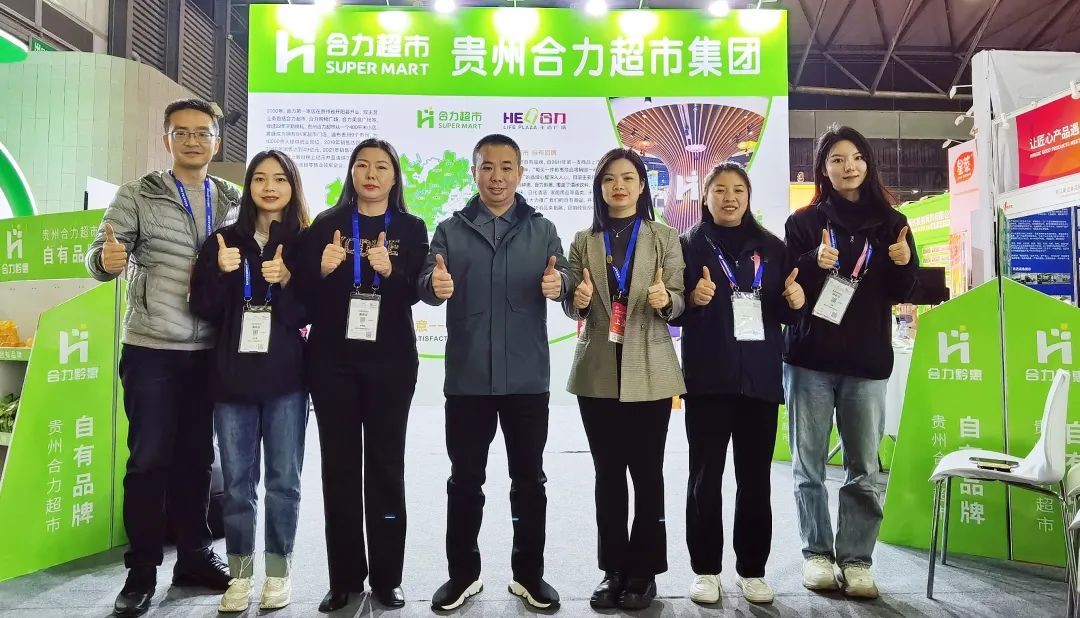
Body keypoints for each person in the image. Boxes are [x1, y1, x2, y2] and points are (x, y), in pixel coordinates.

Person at [85, 98, 240, 617]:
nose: (193, 140)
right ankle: (141, 570)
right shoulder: (138, 194)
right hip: (151, 348)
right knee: (148, 460)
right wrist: (105, 260)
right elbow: (99, 254)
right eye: (182, 132)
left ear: (217, 141)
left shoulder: (231, 199)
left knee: (198, 459)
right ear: (166, 138)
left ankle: (194, 556)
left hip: (208, 351)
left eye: (203, 132)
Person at [418, 134, 570, 612]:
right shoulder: (450, 229)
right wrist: (434, 285)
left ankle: (529, 575)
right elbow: (425, 281)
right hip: (468, 380)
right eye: (487, 167)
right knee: (465, 481)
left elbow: (566, 277)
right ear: (474, 172)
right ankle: (463, 575)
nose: (497, 177)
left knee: (529, 481)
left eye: (507, 167)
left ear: (520, 173)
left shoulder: (542, 229)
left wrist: (559, 283)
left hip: (527, 379)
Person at [292, 139, 429, 612]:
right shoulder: (326, 225)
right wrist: (320, 268)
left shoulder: (411, 227)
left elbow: (416, 292)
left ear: (394, 177)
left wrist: (391, 272)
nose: (371, 174)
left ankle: (388, 577)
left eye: (382, 167)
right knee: (340, 469)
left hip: (391, 362)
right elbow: (303, 298)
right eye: (362, 165)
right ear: (351, 172)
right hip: (332, 362)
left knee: (387, 468)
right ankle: (344, 578)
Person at [784, 125, 918, 599]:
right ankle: (817, 554)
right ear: (823, 167)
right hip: (810, 359)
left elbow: (904, 291)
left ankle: (858, 559)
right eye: (837, 159)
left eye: (856, 157)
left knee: (864, 466)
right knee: (809, 464)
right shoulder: (803, 222)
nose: (849, 167)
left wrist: (903, 261)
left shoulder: (892, 222)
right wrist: (811, 261)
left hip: (867, 360)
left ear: (868, 162)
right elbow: (785, 287)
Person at [674, 162, 805, 606]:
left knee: (755, 480)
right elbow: (673, 310)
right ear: (705, 196)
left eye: (738, 190)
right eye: (720, 190)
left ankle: (752, 569)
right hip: (708, 378)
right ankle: (705, 569)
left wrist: (795, 303)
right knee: (704, 478)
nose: (729, 198)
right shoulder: (688, 245)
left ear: (748, 197)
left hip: (759, 380)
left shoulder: (772, 247)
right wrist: (692, 300)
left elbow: (785, 311)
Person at [562, 148, 685, 611]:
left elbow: (679, 299)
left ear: (641, 185)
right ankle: (612, 570)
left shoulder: (664, 236)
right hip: (597, 369)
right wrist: (576, 300)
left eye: (628, 177)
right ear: (600, 187)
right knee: (608, 474)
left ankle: (644, 572)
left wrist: (666, 300)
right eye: (609, 179)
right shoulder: (583, 240)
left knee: (647, 473)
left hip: (650, 367)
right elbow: (572, 303)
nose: (619, 186)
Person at [188, 150, 310, 612]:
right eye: (259, 178)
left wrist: (288, 280)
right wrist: (221, 273)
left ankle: (278, 573)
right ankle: (239, 576)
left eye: (279, 179)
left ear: (292, 186)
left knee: (284, 483)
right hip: (232, 381)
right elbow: (203, 307)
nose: (269, 187)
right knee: (238, 486)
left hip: (286, 382)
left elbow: (309, 312)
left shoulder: (305, 242)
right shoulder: (223, 240)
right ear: (249, 187)